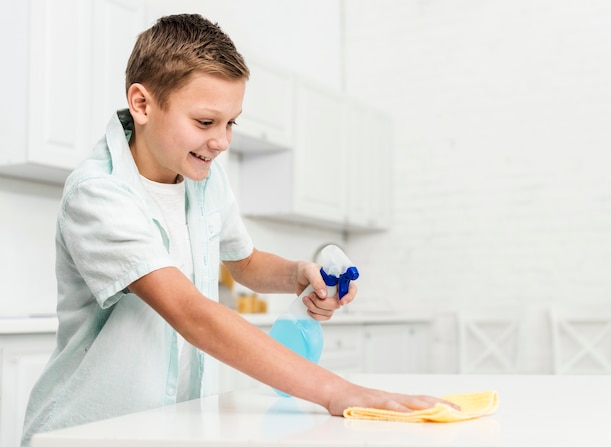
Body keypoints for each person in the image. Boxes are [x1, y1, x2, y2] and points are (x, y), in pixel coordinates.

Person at [21, 13, 452, 446]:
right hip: (88, 430)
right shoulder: (98, 195)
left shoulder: (203, 177)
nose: (222, 141)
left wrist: (294, 274)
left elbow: (243, 261)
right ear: (142, 104)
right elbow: (192, 314)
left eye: (231, 123)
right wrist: (338, 391)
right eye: (206, 122)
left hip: (172, 424)